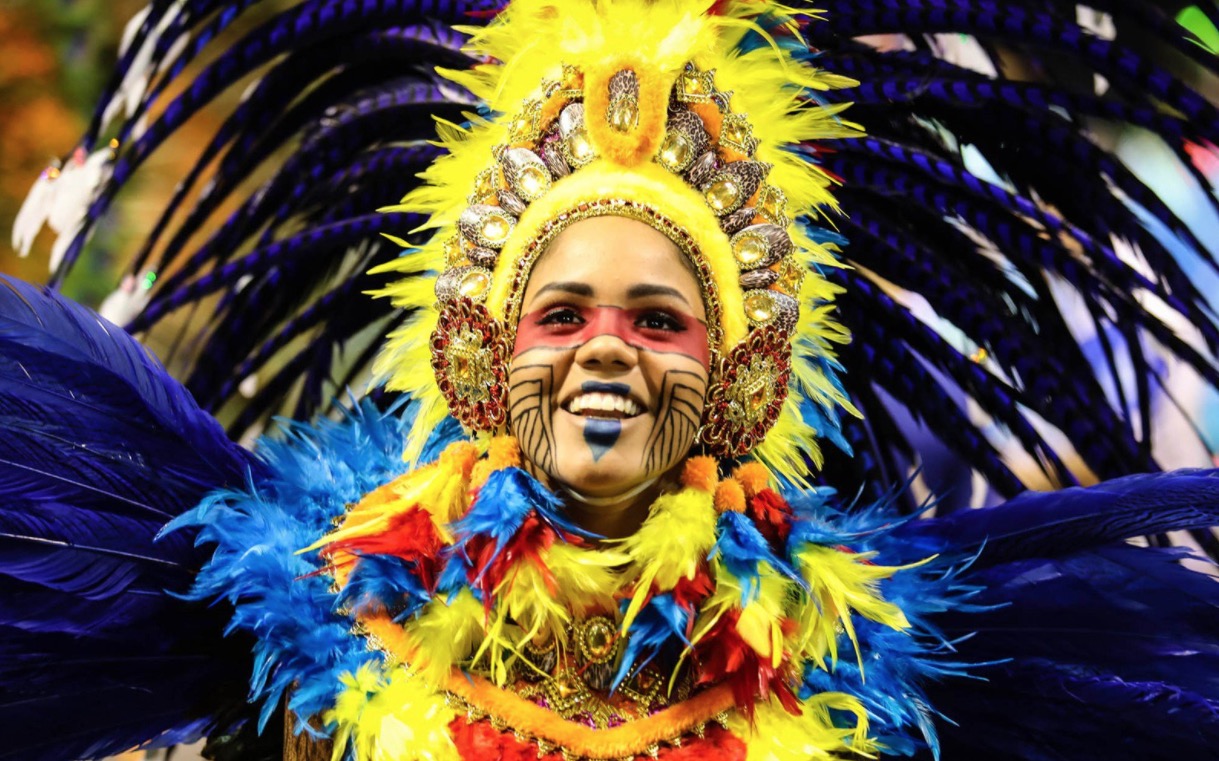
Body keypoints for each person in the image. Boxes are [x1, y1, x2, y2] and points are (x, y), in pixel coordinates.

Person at [3, 1, 1219, 760]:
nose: (604, 348)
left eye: (657, 319)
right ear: (481, 359)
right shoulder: (323, 625)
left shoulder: (855, 666)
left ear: (739, 377)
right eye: (561, 312)